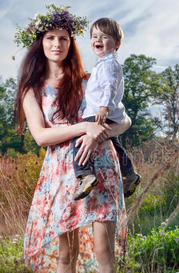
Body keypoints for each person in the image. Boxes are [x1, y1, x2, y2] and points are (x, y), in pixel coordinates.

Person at [13, 5, 129, 273]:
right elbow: (41, 136)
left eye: (63, 38)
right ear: (40, 42)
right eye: (50, 38)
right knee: (67, 252)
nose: (57, 44)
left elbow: (124, 120)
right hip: (63, 173)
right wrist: (83, 129)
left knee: (105, 249)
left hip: (100, 163)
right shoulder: (32, 89)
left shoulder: (88, 80)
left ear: (71, 43)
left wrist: (98, 134)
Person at [72, 17, 141, 201]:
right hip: (107, 112)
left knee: (78, 140)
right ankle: (129, 173)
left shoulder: (109, 64)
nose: (98, 40)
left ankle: (84, 173)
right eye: (94, 36)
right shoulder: (103, 63)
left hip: (99, 112)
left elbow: (110, 86)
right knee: (114, 143)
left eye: (104, 36)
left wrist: (103, 107)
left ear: (117, 43)